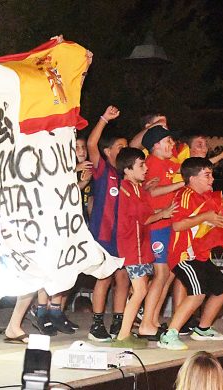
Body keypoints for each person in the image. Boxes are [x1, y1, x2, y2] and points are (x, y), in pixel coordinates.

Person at [158, 158, 223, 351]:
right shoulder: (185, 195)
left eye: (212, 175)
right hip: (184, 256)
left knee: (222, 289)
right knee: (197, 293)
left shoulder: (207, 197)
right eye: (207, 175)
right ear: (192, 178)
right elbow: (177, 224)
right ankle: (169, 334)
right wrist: (206, 217)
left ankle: (203, 328)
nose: (212, 179)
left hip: (201, 255)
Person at [112, 147, 176, 348]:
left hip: (139, 245)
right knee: (139, 291)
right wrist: (164, 213)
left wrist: (162, 211)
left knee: (138, 290)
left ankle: (125, 332)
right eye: (141, 165)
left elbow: (146, 212)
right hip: (132, 247)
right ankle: (122, 335)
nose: (146, 168)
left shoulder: (137, 188)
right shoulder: (125, 189)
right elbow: (145, 216)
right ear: (127, 169)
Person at [86, 105, 129, 342]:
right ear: (108, 151)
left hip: (121, 236)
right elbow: (92, 144)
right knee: (104, 278)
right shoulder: (103, 170)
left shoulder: (127, 176)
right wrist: (104, 119)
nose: (125, 150)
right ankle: (96, 323)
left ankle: (119, 321)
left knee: (122, 278)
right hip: (102, 235)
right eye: (120, 147)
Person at [137, 126, 183, 341]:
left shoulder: (173, 164)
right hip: (157, 224)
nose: (171, 145)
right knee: (161, 274)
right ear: (154, 145)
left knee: (169, 274)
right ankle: (146, 323)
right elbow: (152, 191)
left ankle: (153, 319)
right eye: (167, 141)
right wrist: (182, 183)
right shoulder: (151, 164)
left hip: (170, 224)